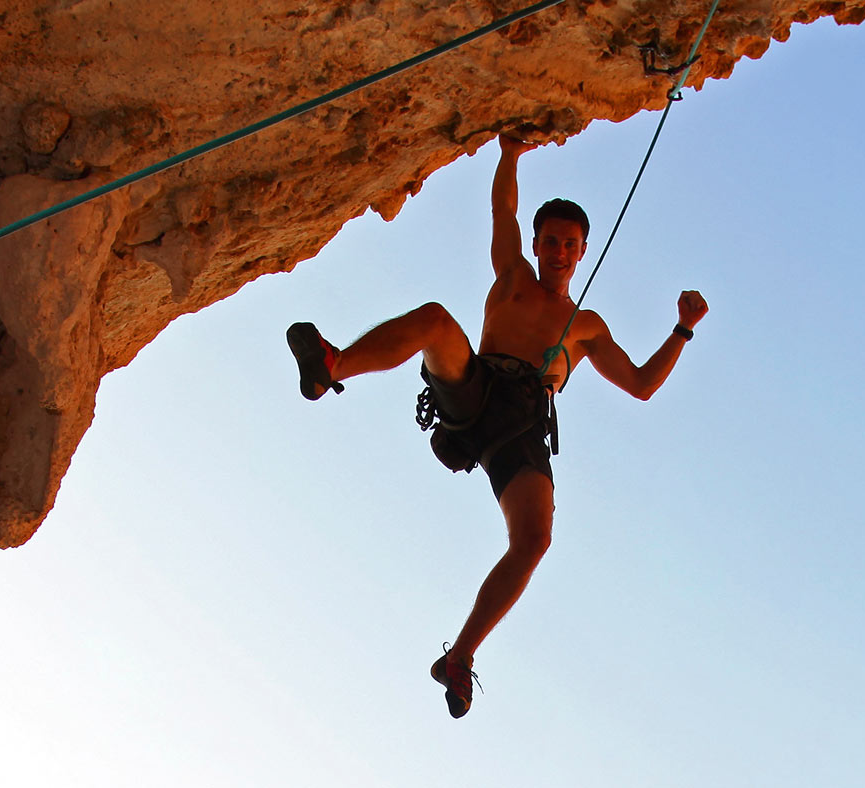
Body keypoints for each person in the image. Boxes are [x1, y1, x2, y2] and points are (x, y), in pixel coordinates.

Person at [284, 133, 708, 718]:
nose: (559, 251)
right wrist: (509, 155)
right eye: (551, 241)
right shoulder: (512, 275)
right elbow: (503, 210)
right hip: (477, 386)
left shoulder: (585, 326)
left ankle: (460, 656)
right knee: (436, 320)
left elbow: (640, 384)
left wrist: (682, 329)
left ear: (583, 251)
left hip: (522, 427)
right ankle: (332, 366)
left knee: (534, 541)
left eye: (570, 244)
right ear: (536, 244)